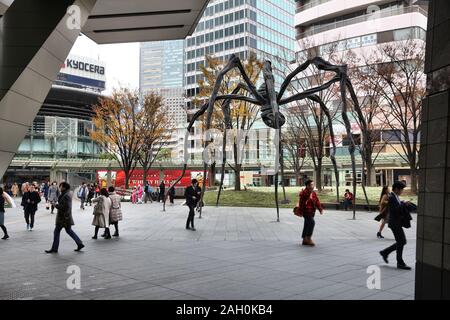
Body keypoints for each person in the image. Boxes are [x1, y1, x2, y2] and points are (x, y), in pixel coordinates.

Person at [379, 181, 412, 270]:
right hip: (394, 223)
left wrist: (403, 203)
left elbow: (397, 206)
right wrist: (404, 204)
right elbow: (395, 210)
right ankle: (398, 261)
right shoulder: (391, 197)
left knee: (401, 241)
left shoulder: (395, 196)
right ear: (397, 189)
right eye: (401, 190)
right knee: (402, 241)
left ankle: (386, 253)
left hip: (396, 222)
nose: (402, 192)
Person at [45, 182, 84, 253]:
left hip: (63, 218)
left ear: (64, 187)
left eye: (61, 186)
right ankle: (79, 243)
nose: (60, 188)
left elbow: (66, 207)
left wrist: (55, 205)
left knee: (57, 232)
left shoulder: (66, 195)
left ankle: (54, 248)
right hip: (65, 217)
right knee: (69, 231)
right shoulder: (66, 194)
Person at [298, 179, 323, 246]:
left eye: (313, 184)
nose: (313, 186)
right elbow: (301, 203)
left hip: (312, 211)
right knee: (312, 223)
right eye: (311, 185)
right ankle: (309, 238)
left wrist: (320, 209)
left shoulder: (313, 193)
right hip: (306, 211)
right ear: (307, 185)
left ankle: (304, 239)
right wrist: (300, 211)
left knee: (307, 224)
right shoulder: (304, 193)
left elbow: (317, 201)